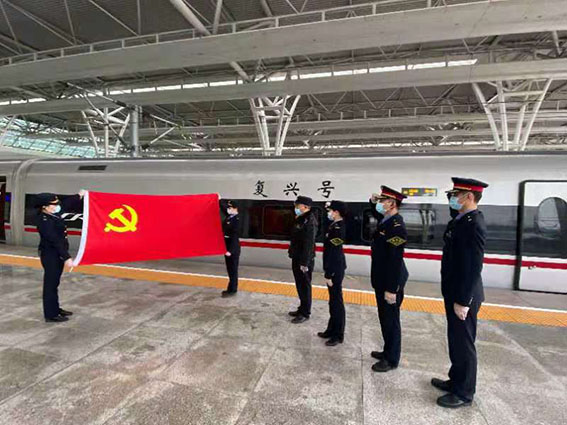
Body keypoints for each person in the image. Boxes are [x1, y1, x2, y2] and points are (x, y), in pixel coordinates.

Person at [432, 177, 489, 409]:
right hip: (454, 291)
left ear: (469, 197)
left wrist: (463, 300)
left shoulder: (473, 224)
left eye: (456, 194)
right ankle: (455, 380)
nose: (452, 198)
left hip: (464, 295)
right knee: (455, 340)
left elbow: (474, 265)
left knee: (464, 344)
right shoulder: (461, 220)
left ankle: (464, 393)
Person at [368, 186, 409, 372]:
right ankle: (387, 351)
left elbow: (395, 259)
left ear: (391, 204)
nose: (379, 203)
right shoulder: (386, 221)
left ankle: (391, 359)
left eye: (382, 201)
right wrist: (372, 202)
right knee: (385, 319)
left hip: (390, 282)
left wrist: (392, 289)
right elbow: (376, 214)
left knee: (391, 321)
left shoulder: (397, 227)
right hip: (382, 279)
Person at [35, 191, 84, 323]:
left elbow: (66, 204)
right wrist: (67, 257)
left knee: (55, 283)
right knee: (50, 285)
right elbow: (55, 240)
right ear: (45, 206)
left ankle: (55, 308)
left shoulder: (52, 213)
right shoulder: (44, 221)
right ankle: (51, 314)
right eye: (54, 204)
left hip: (56, 254)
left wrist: (79, 195)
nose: (57, 206)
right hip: (50, 255)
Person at [318, 200, 347, 346]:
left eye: (330, 211)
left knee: (337, 302)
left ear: (336, 212)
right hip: (333, 268)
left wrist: (329, 273)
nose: (328, 213)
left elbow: (334, 253)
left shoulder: (338, 228)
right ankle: (331, 329)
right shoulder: (333, 225)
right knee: (332, 301)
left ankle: (338, 335)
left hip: (335, 269)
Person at [288, 195, 317, 324]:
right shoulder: (301, 219)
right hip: (297, 257)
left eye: (298, 205)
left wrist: (305, 263)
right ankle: (301, 308)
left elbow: (309, 244)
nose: (296, 208)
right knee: (299, 284)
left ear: (305, 207)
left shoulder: (310, 221)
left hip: (304, 260)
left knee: (305, 286)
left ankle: (305, 313)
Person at [221, 200, 241, 297]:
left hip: (232, 249)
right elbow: (224, 209)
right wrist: (219, 199)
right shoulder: (230, 216)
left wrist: (230, 251)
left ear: (235, 209)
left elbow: (234, 236)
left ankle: (233, 289)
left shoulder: (236, 220)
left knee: (233, 270)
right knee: (229, 269)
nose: (228, 209)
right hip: (227, 248)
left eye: (230, 208)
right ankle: (230, 288)